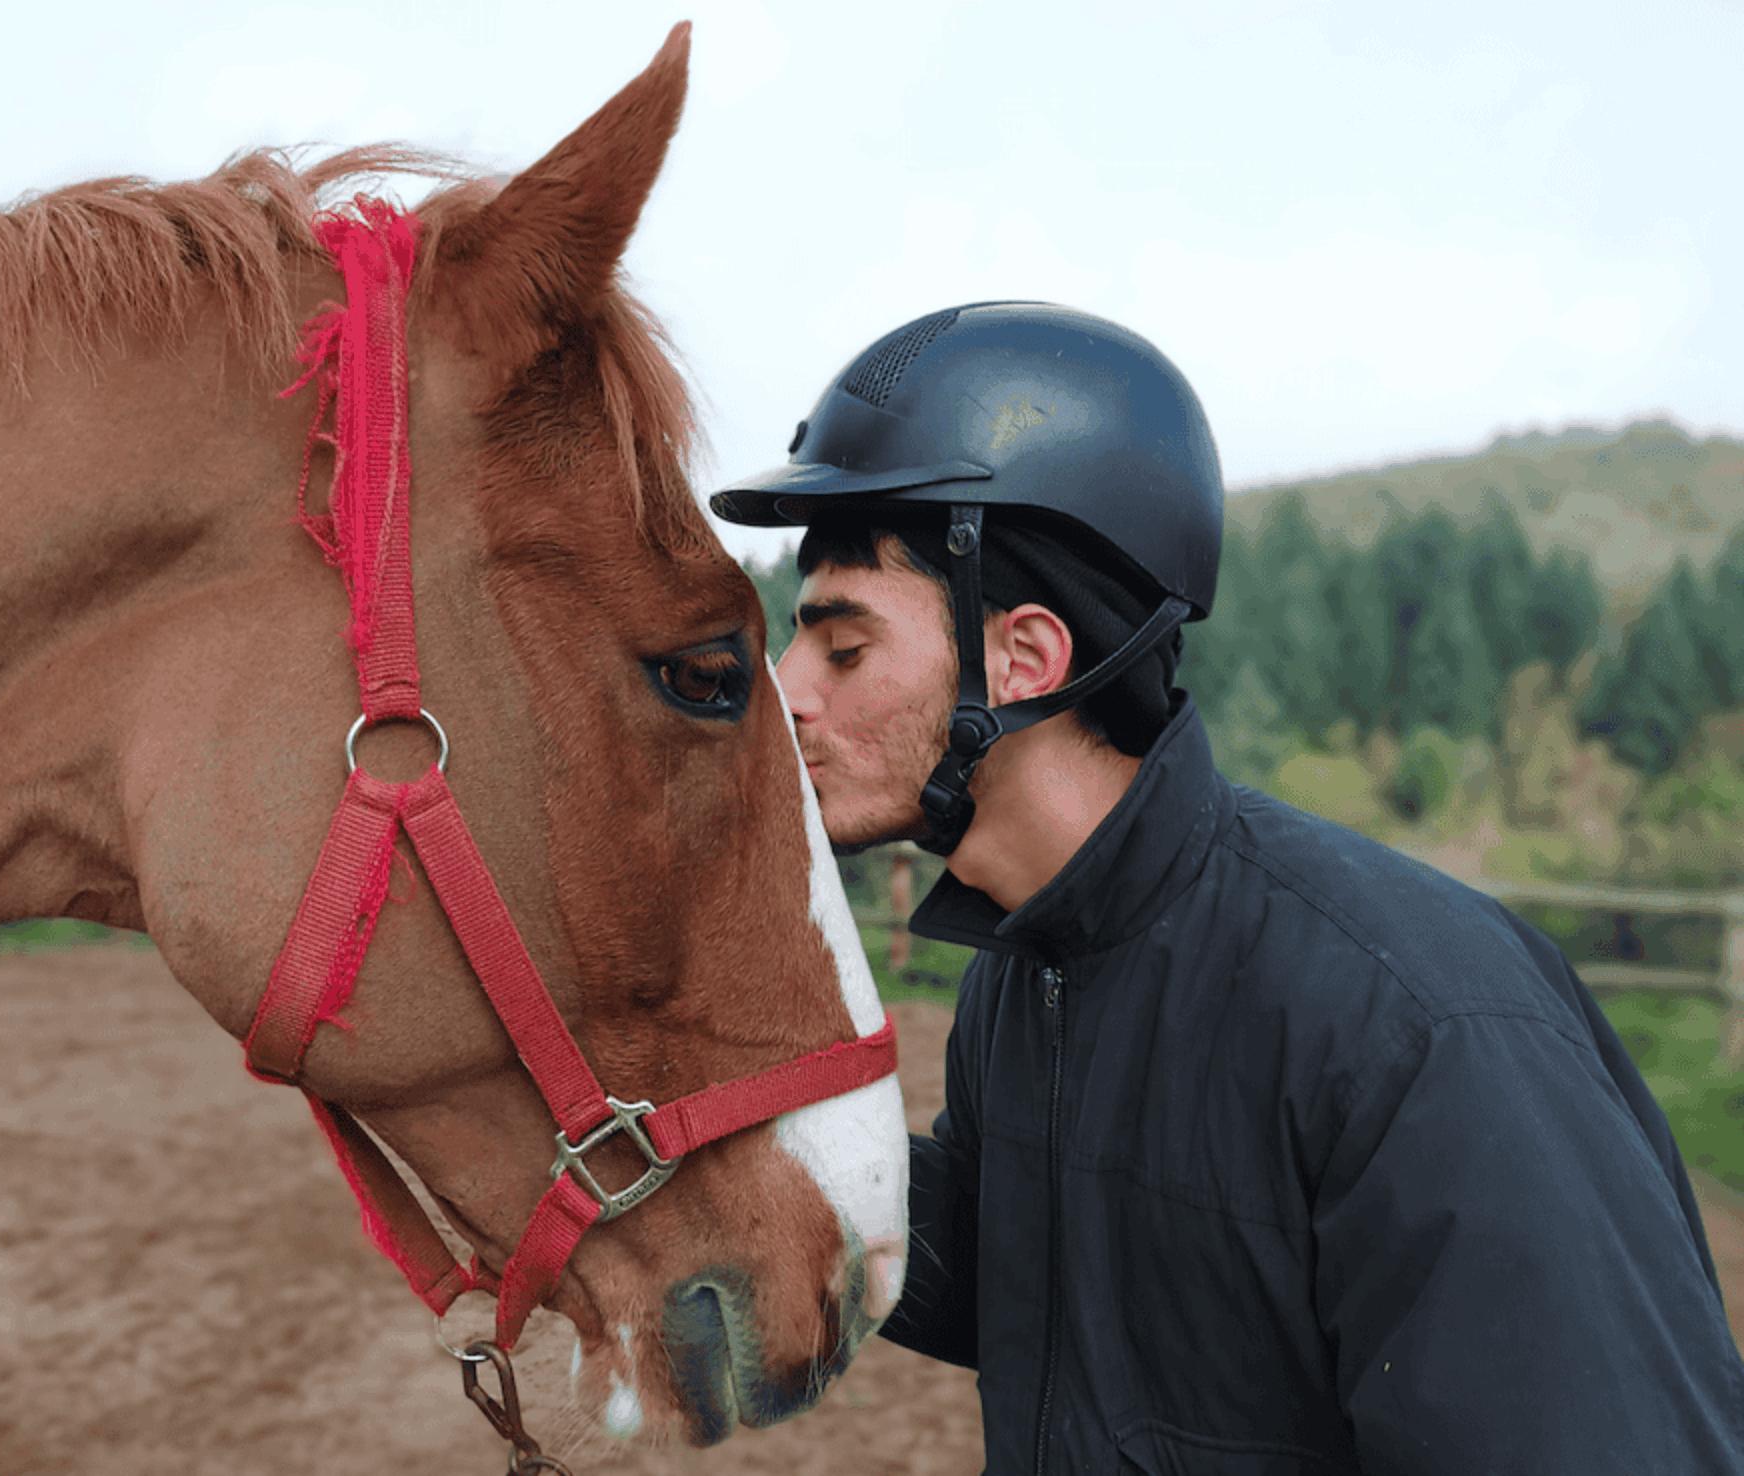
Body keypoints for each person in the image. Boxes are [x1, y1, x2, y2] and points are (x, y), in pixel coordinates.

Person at [710, 302, 1744, 1475]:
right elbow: (1040, 1282)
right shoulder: (1031, 972)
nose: (783, 691)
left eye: (842, 650)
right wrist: (740, 1151)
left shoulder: (1416, 1032)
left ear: (1026, 659)